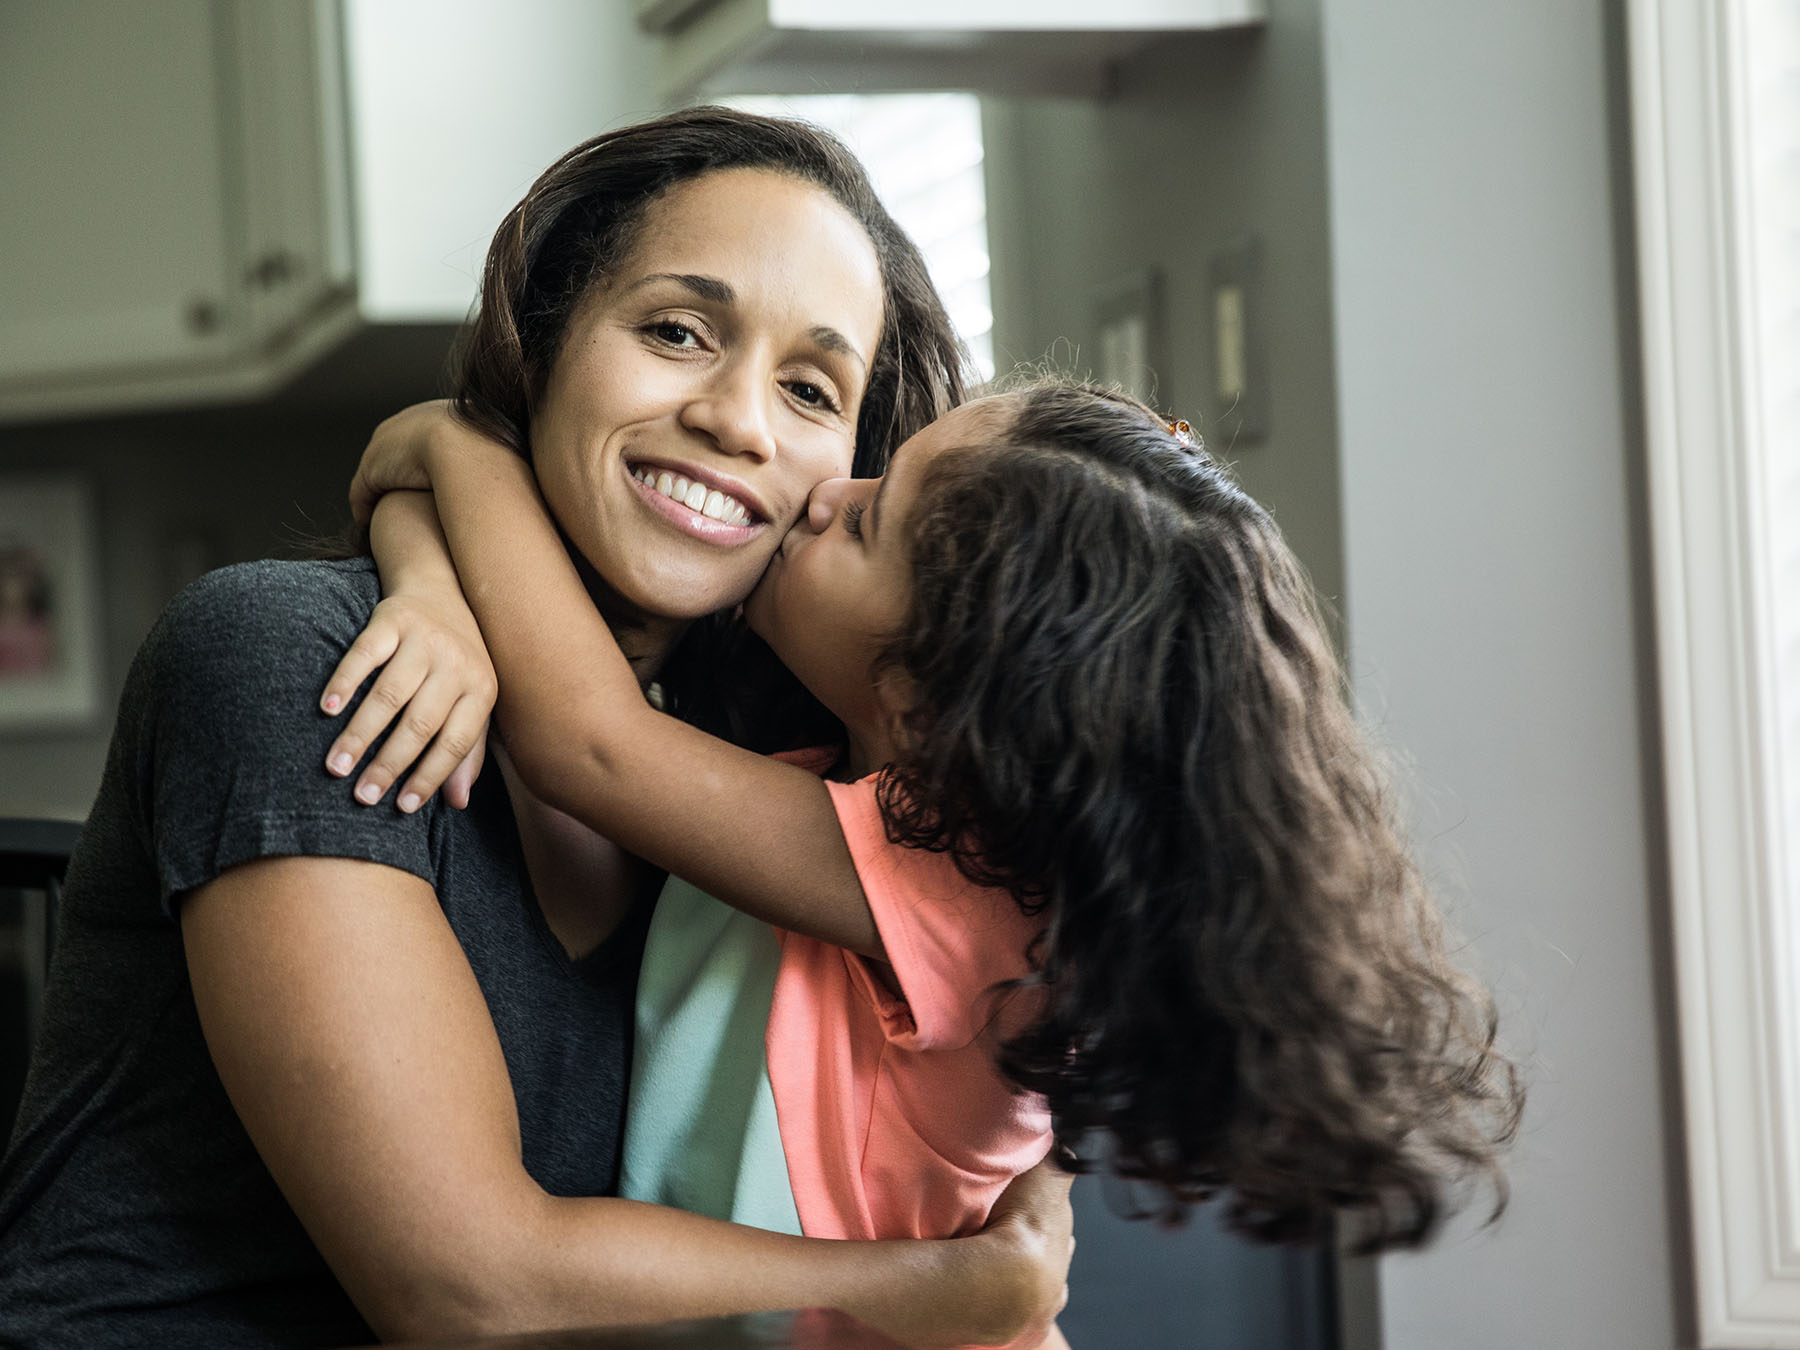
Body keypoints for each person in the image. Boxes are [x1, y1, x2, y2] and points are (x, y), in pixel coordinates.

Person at [0, 108, 1074, 1350]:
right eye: (677, 331)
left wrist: (434, 499)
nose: (741, 420)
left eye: (809, 388)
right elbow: (459, 1292)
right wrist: (932, 1284)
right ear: (547, 338)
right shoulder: (296, 659)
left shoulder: (760, 782)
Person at [326, 378, 1524, 1262]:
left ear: (922, 698)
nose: (818, 495)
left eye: (862, 522)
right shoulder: (867, 801)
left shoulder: (955, 885)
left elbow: (587, 743)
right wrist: (423, 563)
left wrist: (455, 439)